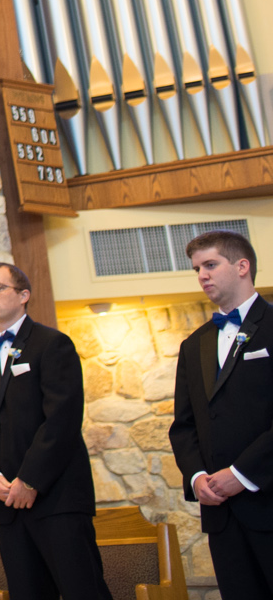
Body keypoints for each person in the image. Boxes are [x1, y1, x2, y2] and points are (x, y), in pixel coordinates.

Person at [0, 261, 105, 600]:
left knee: (84, 591)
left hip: (57, 497)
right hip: (7, 501)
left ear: (24, 295)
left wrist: (30, 480)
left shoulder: (52, 344)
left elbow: (62, 421)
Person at [169, 230, 273, 600]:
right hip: (222, 513)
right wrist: (198, 476)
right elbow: (184, 425)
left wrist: (242, 475)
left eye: (211, 264)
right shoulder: (193, 344)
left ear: (242, 266)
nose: (202, 275)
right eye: (197, 269)